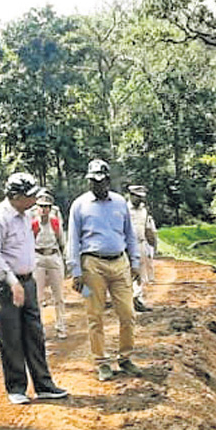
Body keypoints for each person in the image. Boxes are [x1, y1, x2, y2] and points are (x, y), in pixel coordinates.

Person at [0, 172, 69, 405]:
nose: (33, 201)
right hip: (4, 284)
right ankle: (17, 387)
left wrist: (25, 281)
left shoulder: (24, 216)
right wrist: (12, 281)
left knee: (34, 333)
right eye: (29, 196)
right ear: (15, 196)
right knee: (11, 337)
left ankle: (44, 385)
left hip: (28, 281)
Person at [66, 159, 143, 382]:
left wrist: (135, 262)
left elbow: (129, 235)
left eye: (99, 181)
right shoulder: (79, 205)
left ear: (108, 180)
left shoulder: (120, 203)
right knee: (95, 315)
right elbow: (73, 240)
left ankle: (125, 357)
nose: (95, 185)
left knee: (127, 313)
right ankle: (101, 362)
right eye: (92, 181)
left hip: (120, 263)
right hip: (92, 265)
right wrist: (75, 271)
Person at [29, 188, 68, 339]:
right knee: (38, 296)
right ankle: (40, 329)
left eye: (47, 206)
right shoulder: (34, 224)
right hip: (38, 257)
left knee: (58, 295)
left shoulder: (54, 222)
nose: (44, 209)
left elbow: (61, 240)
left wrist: (63, 257)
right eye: (41, 206)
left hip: (53, 255)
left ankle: (61, 326)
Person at [127, 184, 158, 312]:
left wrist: (152, 244)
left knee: (140, 274)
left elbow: (147, 228)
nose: (140, 200)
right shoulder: (124, 209)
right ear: (131, 195)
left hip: (140, 244)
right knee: (126, 274)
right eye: (137, 197)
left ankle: (137, 299)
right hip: (127, 245)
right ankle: (128, 301)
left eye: (141, 197)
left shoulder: (144, 211)